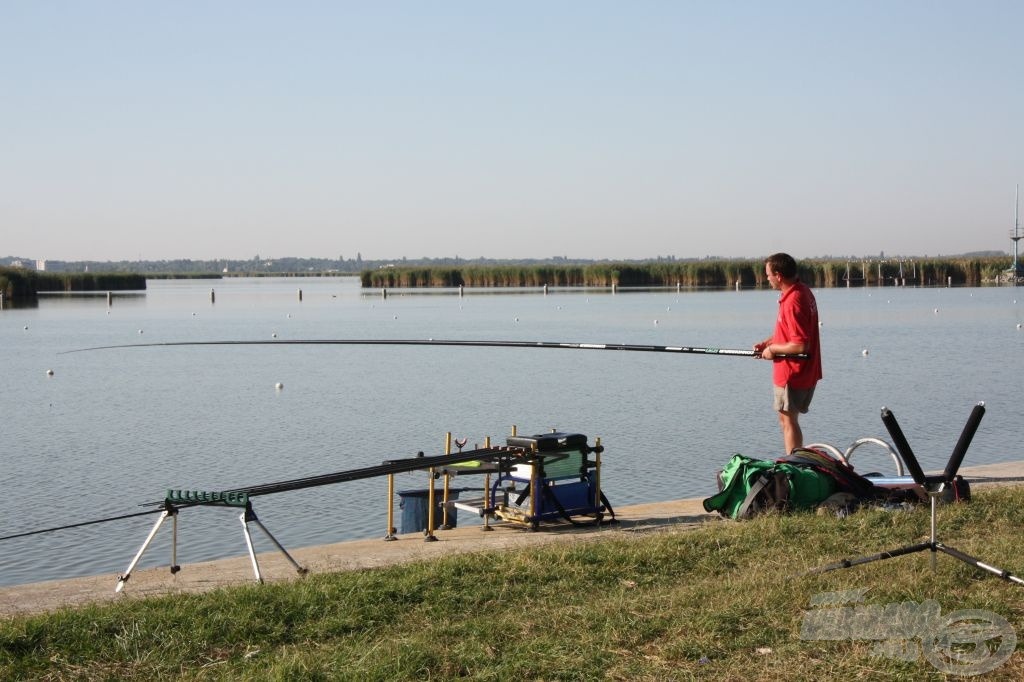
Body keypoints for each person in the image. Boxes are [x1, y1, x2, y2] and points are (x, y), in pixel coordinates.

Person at [753, 253, 822, 455]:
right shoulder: (801, 291)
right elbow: (790, 333)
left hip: (792, 373)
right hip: (800, 372)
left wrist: (773, 350)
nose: (767, 279)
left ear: (779, 275)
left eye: (768, 275)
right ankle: (796, 462)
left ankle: (794, 468)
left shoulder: (794, 301)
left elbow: (801, 345)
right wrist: (768, 343)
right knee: (786, 419)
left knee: (788, 421)